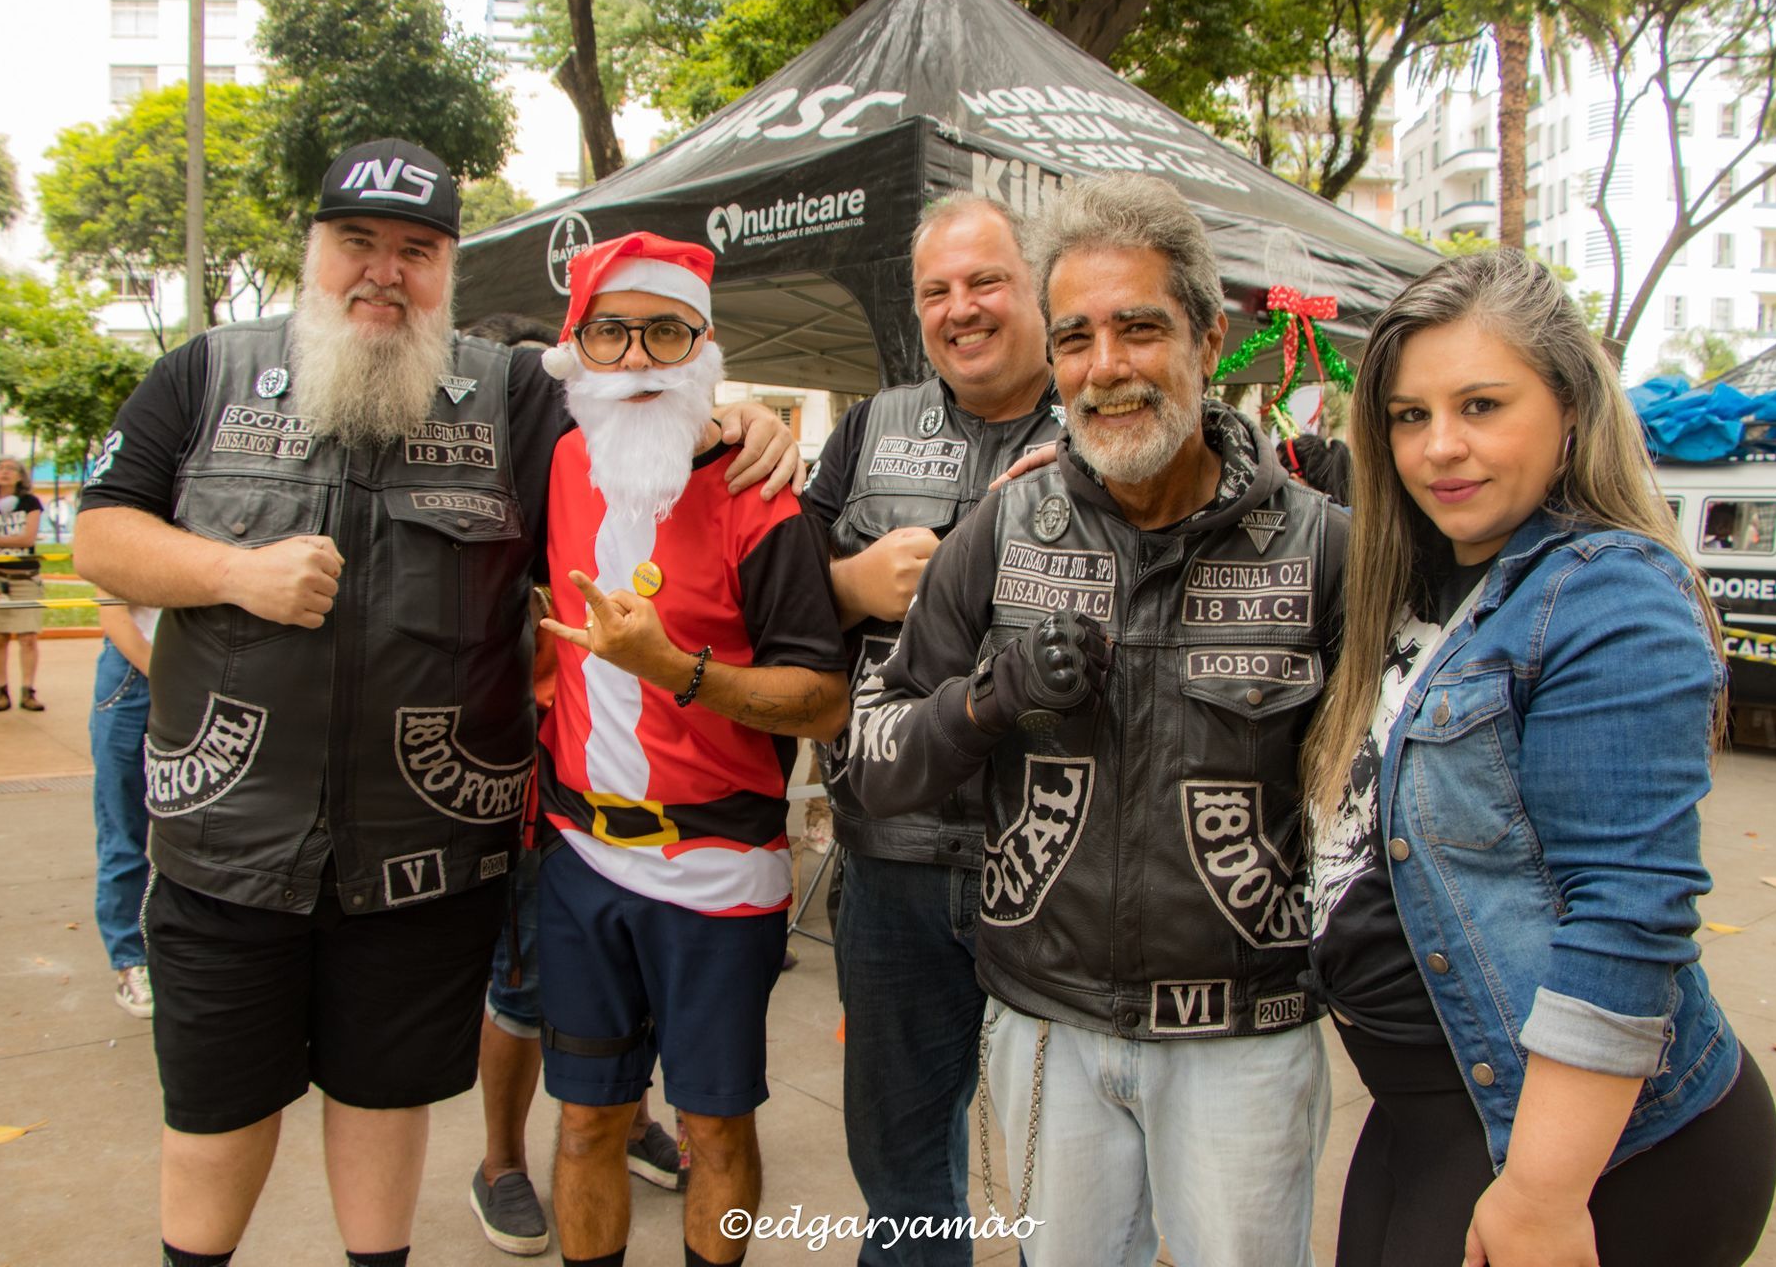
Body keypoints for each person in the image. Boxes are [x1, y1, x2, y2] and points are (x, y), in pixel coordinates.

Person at [72, 139, 800, 1267]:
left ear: (447, 268)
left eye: (416, 250)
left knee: (384, 1102)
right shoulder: (207, 371)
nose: (385, 272)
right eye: (357, 242)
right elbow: (100, 536)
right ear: (314, 250)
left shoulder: (508, 394)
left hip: (423, 853)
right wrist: (233, 571)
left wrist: (742, 417)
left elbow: (640, 426)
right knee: (216, 1114)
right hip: (229, 843)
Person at [846, 173, 1344, 1266]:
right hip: (1048, 1024)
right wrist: (990, 697)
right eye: (1074, 337)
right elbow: (871, 759)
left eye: (1139, 328)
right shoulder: (1004, 527)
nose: (1104, 366)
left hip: (1244, 1036)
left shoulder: (1324, 546)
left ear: (1209, 338)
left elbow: (1378, 804)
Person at [1300, 249, 1776, 1267]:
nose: (1440, 446)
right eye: (1410, 415)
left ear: (1568, 408)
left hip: (1583, 1153)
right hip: (1429, 1115)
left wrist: (1544, 1193)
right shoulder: (1427, 573)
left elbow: (1628, 911)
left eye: (1481, 404)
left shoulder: (1608, 593)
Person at [530, 231, 848, 1267]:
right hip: (580, 856)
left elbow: (822, 701)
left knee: (714, 1128)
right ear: (575, 348)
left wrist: (676, 669)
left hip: (717, 867)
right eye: (611, 333)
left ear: (704, 347)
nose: (636, 358)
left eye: (665, 332)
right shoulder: (557, 459)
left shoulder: (761, 496)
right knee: (587, 1121)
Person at [800, 192, 1061, 1266]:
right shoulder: (867, 428)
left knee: (1075, 1180)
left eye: (986, 280)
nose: (963, 308)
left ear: (1039, 288)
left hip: (1060, 865)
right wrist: (848, 583)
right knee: (904, 1178)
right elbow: (772, 610)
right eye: (936, 291)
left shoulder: (1104, 423)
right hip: (893, 863)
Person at [455, 313, 684, 1259]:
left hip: (632, 779)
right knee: (523, 988)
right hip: (530, 783)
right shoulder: (485, 493)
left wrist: (751, 423)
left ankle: (624, 1117)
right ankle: (502, 1163)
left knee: (635, 973)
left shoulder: (615, 468)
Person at [93, 601, 160, 1018]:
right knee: (122, 826)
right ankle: (131, 960)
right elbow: (113, 608)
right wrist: (168, 677)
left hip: (205, 666)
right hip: (136, 672)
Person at [0, 457, 45, 711]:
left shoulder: (30, 503)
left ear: (20, 476)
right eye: (0, 468)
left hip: (26, 577)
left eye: (11, 468)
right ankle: (1, 691)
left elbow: (27, 539)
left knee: (28, 637)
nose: (4, 472)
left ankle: (28, 690)